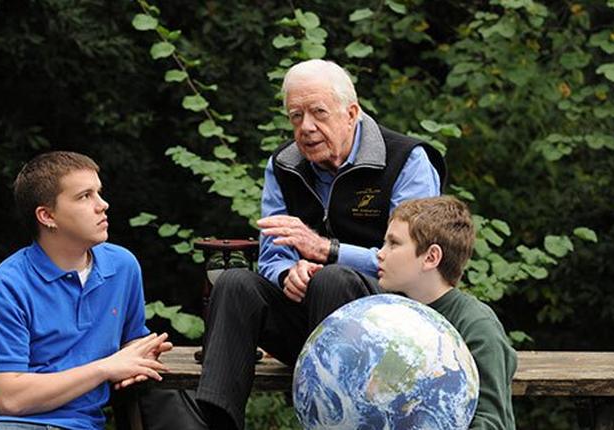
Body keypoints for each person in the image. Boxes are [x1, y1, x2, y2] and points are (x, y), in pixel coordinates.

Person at [195, 59, 446, 429]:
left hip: (390, 336)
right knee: (234, 283)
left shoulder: (406, 160)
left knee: (333, 278)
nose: (306, 127)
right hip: (308, 321)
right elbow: (272, 254)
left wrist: (327, 251)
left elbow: (416, 262)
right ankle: (217, 423)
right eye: (296, 116)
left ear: (351, 113)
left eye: (318, 113)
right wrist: (286, 275)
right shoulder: (284, 165)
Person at [0, 151, 172, 430]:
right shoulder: (3, 289)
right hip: (6, 423)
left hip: (82, 424)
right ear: (47, 216)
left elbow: (130, 342)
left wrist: (140, 354)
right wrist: (105, 368)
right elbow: (10, 398)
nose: (102, 204)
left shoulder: (122, 267)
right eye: (85, 196)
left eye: (99, 193)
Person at [377, 196, 516, 429]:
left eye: (394, 243)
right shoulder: (388, 316)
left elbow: (492, 422)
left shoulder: (477, 325)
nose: (380, 253)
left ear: (431, 257)